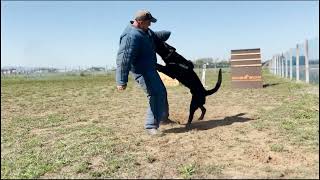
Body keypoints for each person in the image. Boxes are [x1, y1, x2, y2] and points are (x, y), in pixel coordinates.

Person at [116, 10, 173, 136]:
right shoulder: (131, 36)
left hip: (150, 69)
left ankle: (163, 118)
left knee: (161, 92)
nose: (150, 25)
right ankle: (150, 126)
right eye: (148, 22)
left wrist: (167, 33)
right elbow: (124, 59)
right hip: (142, 72)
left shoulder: (145, 31)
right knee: (156, 94)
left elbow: (154, 36)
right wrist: (121, 80)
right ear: (140, 22)